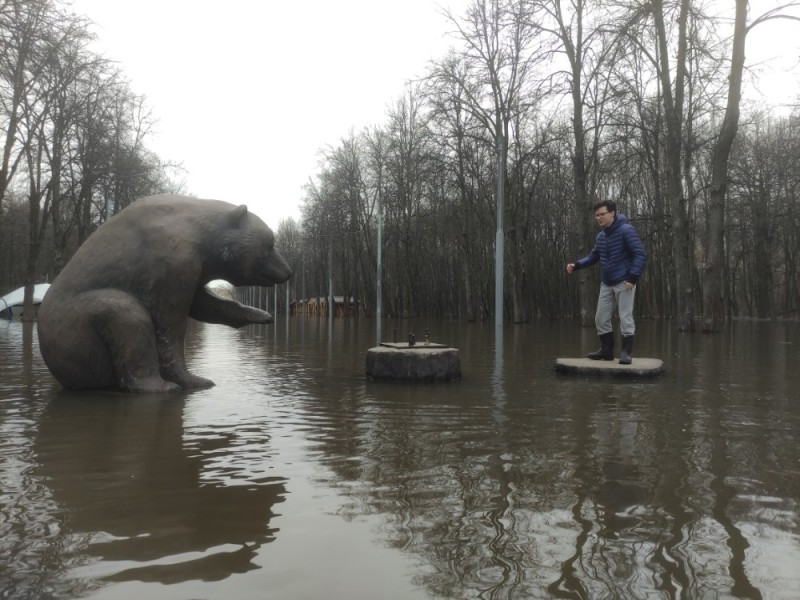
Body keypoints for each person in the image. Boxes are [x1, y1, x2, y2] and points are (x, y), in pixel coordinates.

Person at [566, 200, 647, 364]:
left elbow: (640, 254)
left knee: (625, 317)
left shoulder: (626, 230)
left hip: (625, 281)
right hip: (606, 282)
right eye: (596, 215)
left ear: (613, 213)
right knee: (600, 318)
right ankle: (606, 351)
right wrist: (577, 265)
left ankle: (626, 353)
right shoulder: (601, 236)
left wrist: (633, 277)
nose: (598, 218)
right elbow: (594, 256)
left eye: (602, 214)